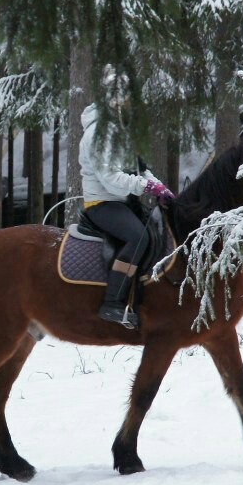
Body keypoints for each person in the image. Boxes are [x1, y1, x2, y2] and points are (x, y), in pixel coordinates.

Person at [78, 102, 175, 329]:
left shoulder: (122, 133)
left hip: (124, 203)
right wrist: (147, 188)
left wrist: (160, 187)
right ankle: (112, 302)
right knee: (138, 236)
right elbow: (110, 179)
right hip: (102, 203)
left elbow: (142, 170)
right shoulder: (97, 134)